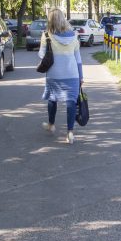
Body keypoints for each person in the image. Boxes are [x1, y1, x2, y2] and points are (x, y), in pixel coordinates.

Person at [38, 8, 83, 144]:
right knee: (71, 103)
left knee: (52, 99)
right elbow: (78, 58)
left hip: (54, 74)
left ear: (50, 20)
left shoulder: (46, 35)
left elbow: (41, 55)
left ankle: (51, 125)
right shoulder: (74, 35)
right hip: (72, 74)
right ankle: (70, 133)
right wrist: (81, 76)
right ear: (63, 19)